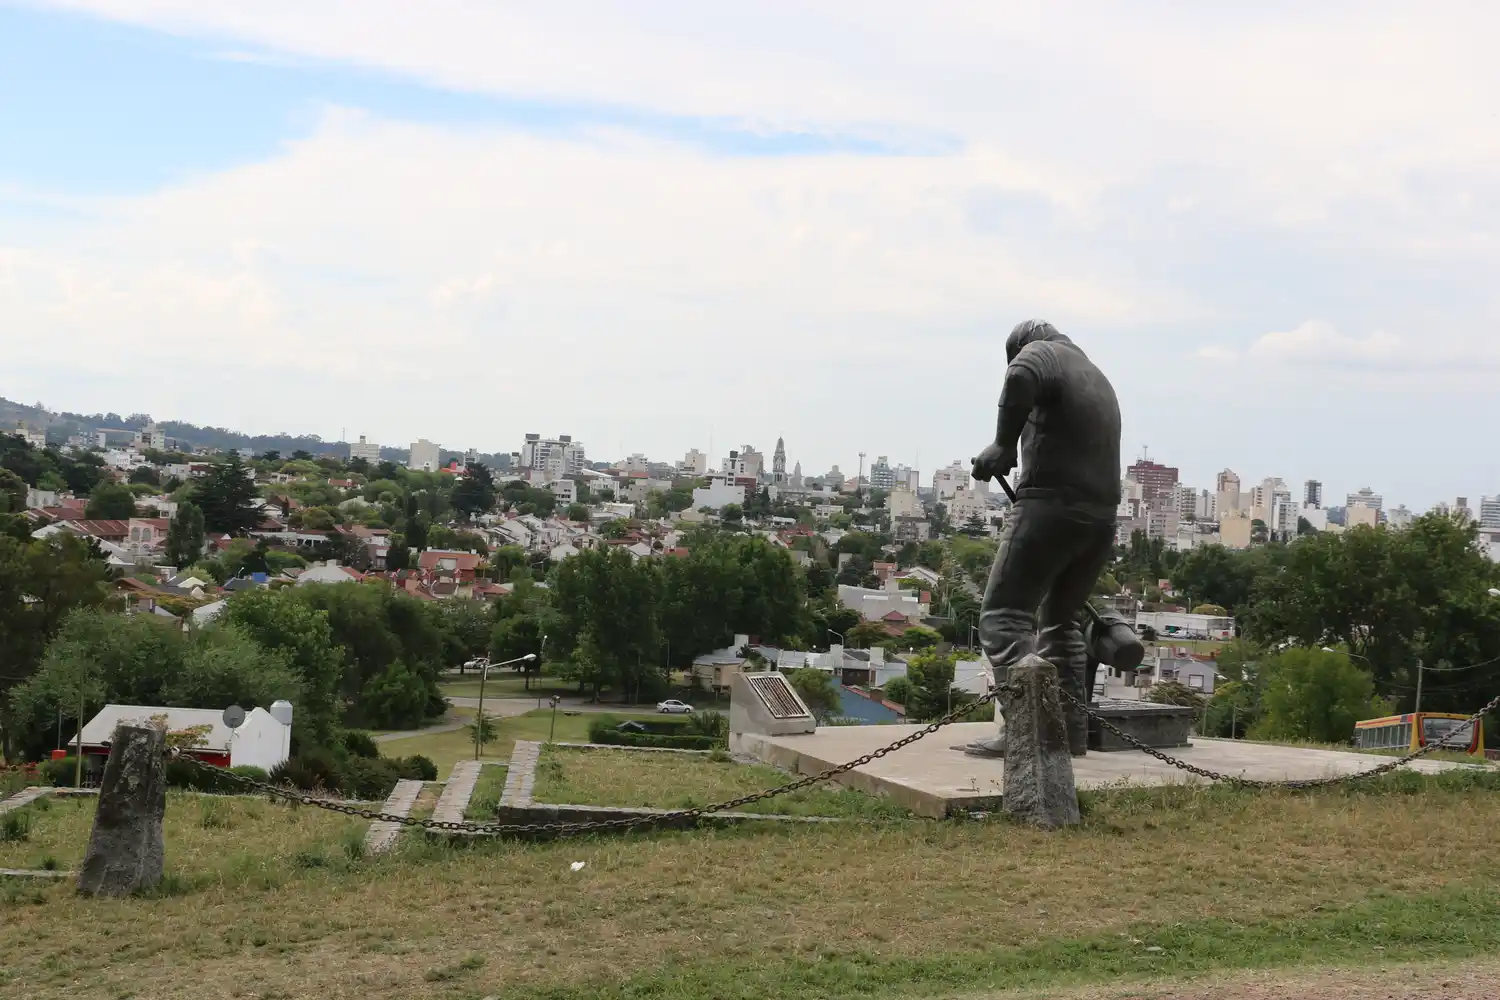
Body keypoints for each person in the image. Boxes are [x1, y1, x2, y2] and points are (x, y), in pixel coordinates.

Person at [963, 320, 1124, 757]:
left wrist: (1002, 445)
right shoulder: (1096, 376)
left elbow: (1019, 375)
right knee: (1061, 624)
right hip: (1100, 518)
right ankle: (1067, 735)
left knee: (1004, 618)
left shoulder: (1041, 355)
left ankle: (1028, 732)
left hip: (1050, 508)